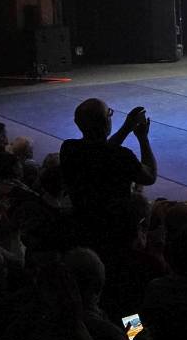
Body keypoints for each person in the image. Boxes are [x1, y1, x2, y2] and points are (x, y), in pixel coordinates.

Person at [62, 98, 158, 248]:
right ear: (106, 123)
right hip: (116, 229)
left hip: (83, 222)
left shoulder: (68, 149)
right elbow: (150, 176)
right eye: (109, 114)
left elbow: (101, 151)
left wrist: (126, 128)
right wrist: (143, 138)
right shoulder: (121, 156)